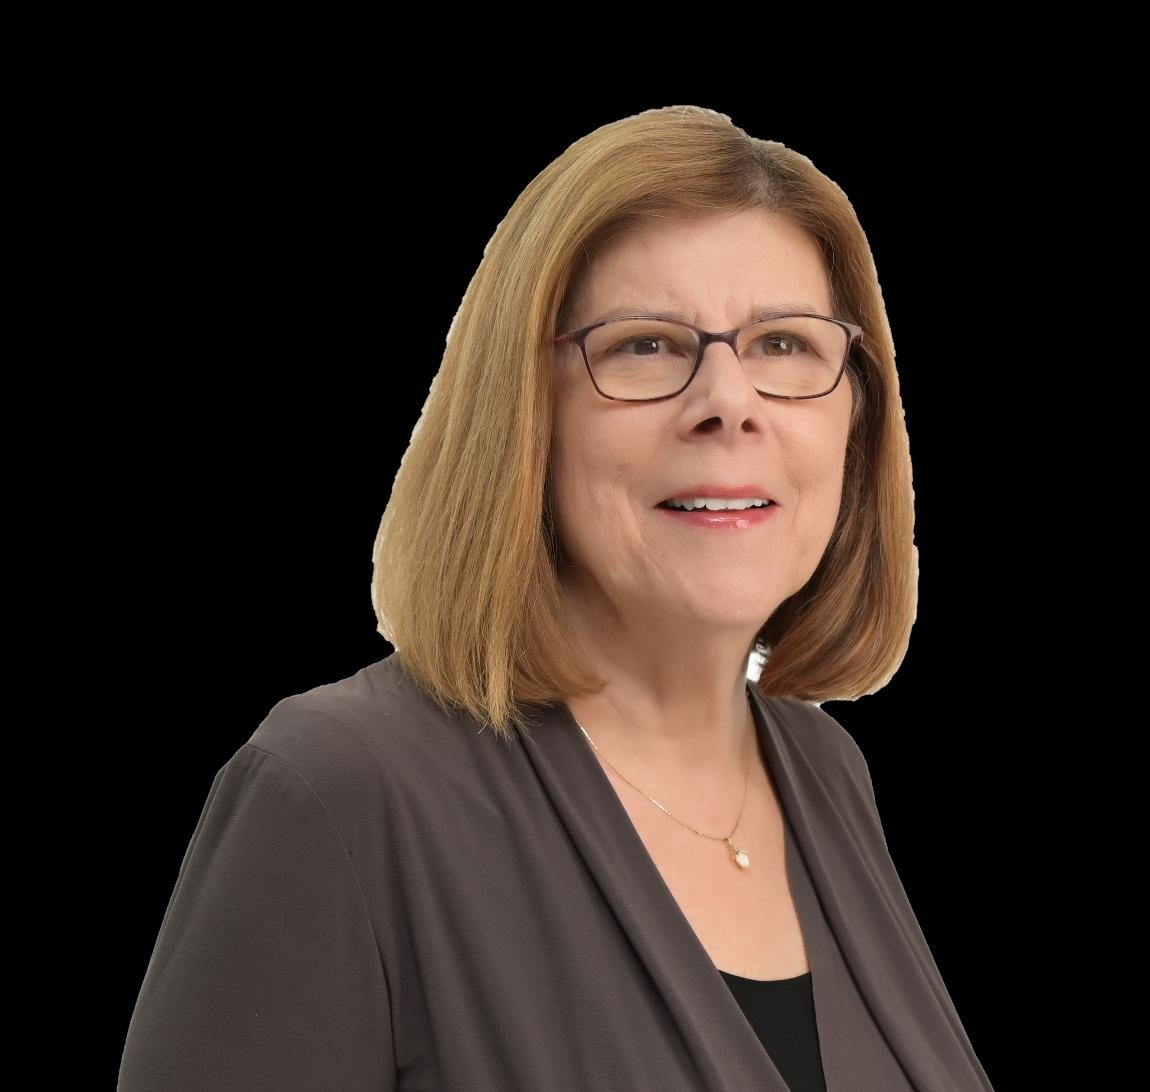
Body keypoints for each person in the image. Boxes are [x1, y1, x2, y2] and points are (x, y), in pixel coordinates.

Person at [118, 106, 995, 1091]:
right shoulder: (338, 793)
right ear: (523, 415)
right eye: (646, 346)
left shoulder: (829, 774)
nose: (729, 403)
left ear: (856, 415)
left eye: (783, 344)